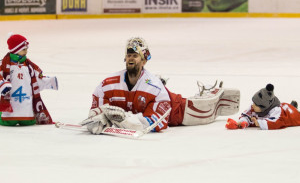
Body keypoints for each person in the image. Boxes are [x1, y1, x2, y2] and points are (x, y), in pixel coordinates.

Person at [86, 37, 240, 135]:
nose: (131, 58)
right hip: (144, 105)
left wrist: (124, 118)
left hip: (176, 110)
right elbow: (94, 114)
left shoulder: (155, 89)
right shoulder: (107, 85)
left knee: (203, 109)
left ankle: (209, 93)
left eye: (136, 55)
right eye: (129, 55)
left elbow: (154, 124)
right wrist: (97, 120)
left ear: (144, 61)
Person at [0, 33, 58, 126]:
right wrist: (2, 84)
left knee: (27, 118)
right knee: (8, 118)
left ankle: (24, 116)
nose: (26, 51)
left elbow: (37, 81)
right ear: (16, 50)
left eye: (27, 49)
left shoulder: (29, 66)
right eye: (23, 49)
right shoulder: (4, 64)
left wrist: (48, 82)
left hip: (27, 113)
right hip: (9, 112)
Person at [226, 84, 300, 130]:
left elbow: (277, 122)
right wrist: (242, 122)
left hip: (287, 113)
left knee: (294, 114)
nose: (252, 105)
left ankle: (293, 107)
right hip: (281, 106)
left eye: (256, 104)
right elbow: (247, 115)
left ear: (263, 107)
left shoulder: (276, 111)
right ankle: (292, 105)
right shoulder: (254, 106)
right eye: (253, 102)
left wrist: (259, 123)